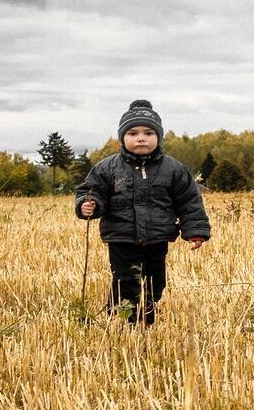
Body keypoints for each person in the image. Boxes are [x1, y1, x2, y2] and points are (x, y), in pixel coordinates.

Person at [74, 99, 211, 326]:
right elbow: (91, 191)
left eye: (148, 133)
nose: (141, 138)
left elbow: (189, 202)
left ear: (158, 137)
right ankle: (122, 320)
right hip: (122, 236)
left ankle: (147, 316)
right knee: (125, 279)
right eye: (132, 133)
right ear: (122, 138)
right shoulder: (107, 167)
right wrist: (88, 205)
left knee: (154, 281)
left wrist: (195, 230)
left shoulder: (173, 169)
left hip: (157, 237)